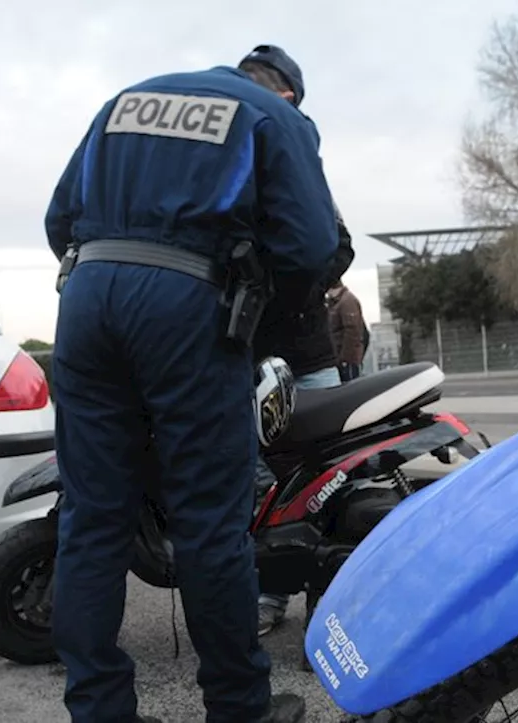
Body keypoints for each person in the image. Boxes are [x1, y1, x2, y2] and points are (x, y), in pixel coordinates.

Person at [43, 44, 336, 723]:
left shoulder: (127, 99)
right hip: (188, 304)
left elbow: (58, 220)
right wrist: (258, 321)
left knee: (90, 518)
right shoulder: (271, 116)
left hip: (86, 299)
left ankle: (99, 710)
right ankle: (239, 709)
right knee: (210, 525)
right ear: (289, 92)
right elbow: (312, 245)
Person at [254, 199, 353, 637]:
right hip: (248, 356)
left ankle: (326, 600)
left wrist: (300, 285)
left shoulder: (305, 184)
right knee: (266, 487)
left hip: (309, 357)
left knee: (328, 480)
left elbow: (342, 246)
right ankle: (270, 594)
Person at [327, 280, 368, 381]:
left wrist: (344, 359)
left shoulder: (347, 301)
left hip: (347, 362)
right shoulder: (337, 302)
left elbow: (352, 331)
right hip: (342, 360)